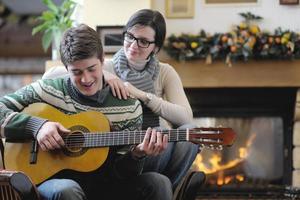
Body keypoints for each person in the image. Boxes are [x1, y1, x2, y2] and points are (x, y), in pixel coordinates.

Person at [0, 24, 173, 200]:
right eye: (76, 72)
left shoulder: (129, 107)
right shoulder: (47, 91)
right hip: (54, 182)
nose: (86, 79)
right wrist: (37, 126)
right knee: (66, 189)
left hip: (106, 185)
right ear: (66, 69)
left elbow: (121, 173)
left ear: (102, 61)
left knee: (159, 183)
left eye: (92, 69)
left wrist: (137, 154)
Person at [103, 9, 202, 199]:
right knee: (159, 136)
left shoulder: (165, 72)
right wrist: (104, 74)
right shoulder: (106, 67)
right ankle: (169, 191)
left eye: (143, 41)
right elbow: (57, 74)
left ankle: (166, 190)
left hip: (159, 146)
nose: (133, 45)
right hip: (126, 153)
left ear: (156, 48)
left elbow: (185, 117)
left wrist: (142, 95)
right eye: (130, 36)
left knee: (191, 132)